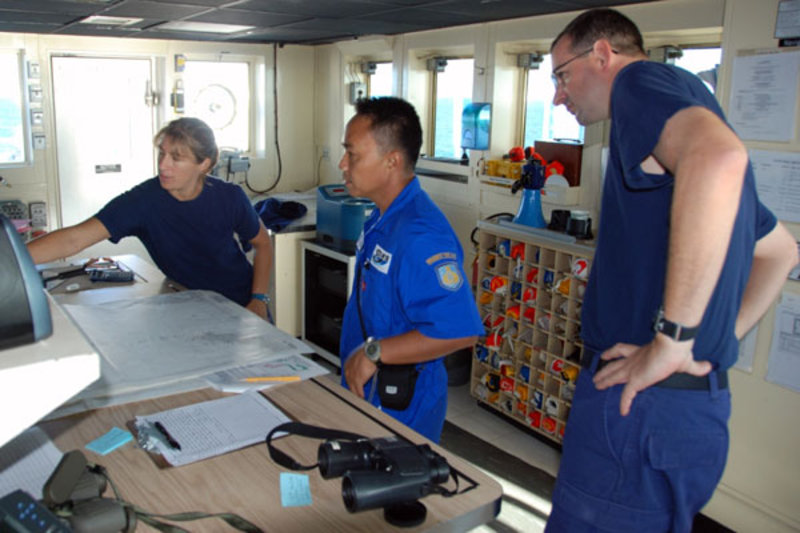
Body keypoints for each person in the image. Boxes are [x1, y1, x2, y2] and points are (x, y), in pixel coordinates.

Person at [544, 8, 799, 532]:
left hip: (639, 408)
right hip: (692, 411)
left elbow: (720, 160)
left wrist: (675, 341)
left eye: (562, 75)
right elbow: (781, 251)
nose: (558, 95)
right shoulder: (687, 117)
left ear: (602, 55)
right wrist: (711, 338)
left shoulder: (639, 81)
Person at [338, 97, 483, 443]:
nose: (342, 163)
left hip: (401, 405)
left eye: (352, 154)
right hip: (367, 391)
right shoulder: (383, 218)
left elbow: (459, 332)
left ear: (392, 161)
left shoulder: (420, 235)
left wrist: (374, 353)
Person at [28, 117, 274, 320]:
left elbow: (263, 244)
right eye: (162, 154)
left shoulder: (229, 197)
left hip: (244, 304)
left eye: (176, 158)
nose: (163, 165)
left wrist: (259, 298)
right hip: (189, 306)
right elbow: (73, 239)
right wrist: (10, 258)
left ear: (204, 164)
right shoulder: (143, 201)